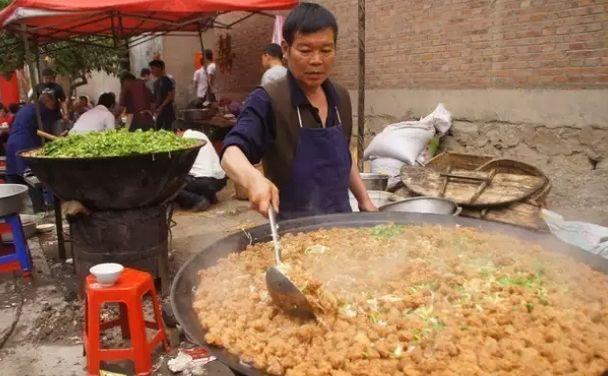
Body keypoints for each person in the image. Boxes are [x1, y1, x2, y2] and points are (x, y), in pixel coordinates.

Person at [221, 3, 376, 219]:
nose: (316, 60)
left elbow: (344, 154)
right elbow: (231, 153)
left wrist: (364, 200)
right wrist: (253, 179)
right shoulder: (269, 99)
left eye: (326, 50)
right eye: (305, 50)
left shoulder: (340, 97)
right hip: (294, 233)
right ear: (285, 49)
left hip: (343, 226)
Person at [6, 91, 58, 212]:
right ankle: (41, 209)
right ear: (47, 101)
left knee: (15, 178)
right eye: (53, 103)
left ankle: (15, 210)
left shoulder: (25, 109)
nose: (54, 106)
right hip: (25, 145)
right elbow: (47, 133)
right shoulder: (42, 111)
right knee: (32, 179)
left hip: (11, 144)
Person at [173, 121, 227, 211]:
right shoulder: (200, 135)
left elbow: (179, 166)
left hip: (204, 182)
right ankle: (210, 196)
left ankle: (197, 200)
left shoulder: (184, 139)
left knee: (172, 185)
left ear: (178, 131)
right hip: (221, 180)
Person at [149, 59, 176, 131]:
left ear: (160, 68)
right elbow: (155, 99)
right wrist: (153, 110)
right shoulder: (156, 83)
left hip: (167, 112)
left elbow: (171, 96)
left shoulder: (167, 80)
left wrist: (161, 106)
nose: (151, 71)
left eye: (153, 68)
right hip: (159, 114)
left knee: (168, 131)